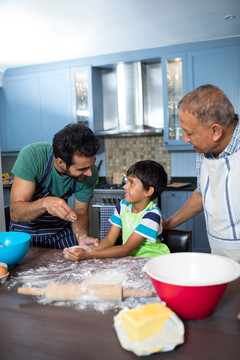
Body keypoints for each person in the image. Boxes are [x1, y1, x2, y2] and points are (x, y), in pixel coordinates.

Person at [163, 84, 240, 263]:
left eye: (189, 133)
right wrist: (169, 224)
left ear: (215, 131)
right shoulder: (204, 151)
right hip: (220, 253)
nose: (185, 138)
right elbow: (202, 194)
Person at [9, 123, 100, 249]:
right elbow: (16, 213)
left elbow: (80, 212)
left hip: (61, 235)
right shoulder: (33, 156)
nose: (89, 172)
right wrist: (45, 203)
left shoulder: (89, 172)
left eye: (92, 164)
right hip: (26, 235)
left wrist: (82, 236)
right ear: (61, 162)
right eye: (82, 169)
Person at [63, 160, 170, 261]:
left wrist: (88, 255)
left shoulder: (152, 214)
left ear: (148, 191)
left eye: (131, 183)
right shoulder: (123, 206)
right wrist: (84, 250)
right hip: (131, 260)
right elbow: (109, 240)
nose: (125, 186)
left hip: (152, 260)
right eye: (127, 181)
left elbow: (126, 249)